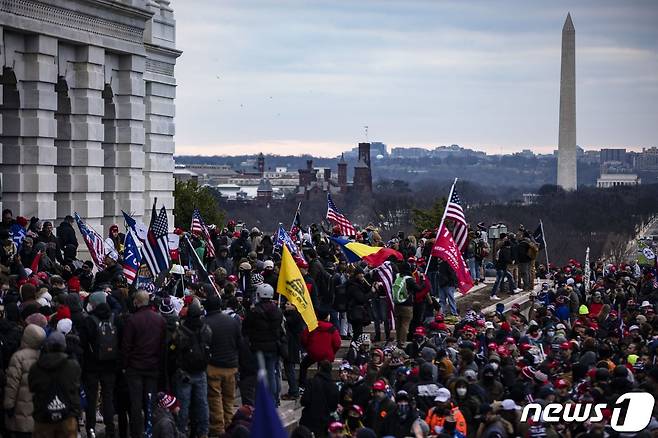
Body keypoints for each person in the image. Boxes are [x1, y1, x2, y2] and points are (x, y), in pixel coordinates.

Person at [122, 290, 166, 438]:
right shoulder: (159, 320)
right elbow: (162, 345)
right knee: (150, 401)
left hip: (135, 368)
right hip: (152, 367)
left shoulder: (132, 320)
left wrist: (125, 365)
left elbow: (126, 346)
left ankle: (136, 433)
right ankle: (150, 430)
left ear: (136, 302)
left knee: (136, 403)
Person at [78, 291, 119, 438]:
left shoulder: (88, 321)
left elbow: (82, 344)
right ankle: (110, 429)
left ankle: (91, 429)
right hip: (110, 365)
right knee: (108, 397)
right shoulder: (114, 318)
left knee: (91, 397)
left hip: (92, 366)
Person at [28, 332, 81, 438]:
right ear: (64, 346)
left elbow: (32, 387)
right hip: (67, 415)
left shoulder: (36, 367)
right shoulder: (72, 365)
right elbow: (75, 386)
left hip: (43, 416)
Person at [171, 300, 211, 437]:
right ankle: (203, 432)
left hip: (184, 373)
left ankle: (181, 432)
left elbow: (173, 349)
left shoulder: (181, 330)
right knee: (202, 404)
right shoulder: (206, 329)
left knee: (183, 406)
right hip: (201, 371)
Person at [204, 294, 242, 436]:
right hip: (231, 365)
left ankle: (218, 428)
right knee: (229, 398)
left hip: (213, 366)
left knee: (215, 398)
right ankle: (229, 424)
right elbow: (240, 342)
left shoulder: (206, 322)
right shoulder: (232, 321)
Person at [243, 283, 283, 402]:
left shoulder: (254, 312)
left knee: (260, 374)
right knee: (271, 373)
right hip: (273, 346)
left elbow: (245, 329)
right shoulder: (277, 311)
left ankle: (261, 399)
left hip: (258, 347)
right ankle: (272, 399)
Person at [4, 324, 46, 438]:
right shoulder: (42, 357)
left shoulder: (18, 357)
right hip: (36, 415)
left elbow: (12, 384)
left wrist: (8, 405)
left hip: (19, 414)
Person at [299, 308, 341, 389]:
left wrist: (308, 348)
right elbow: (337, 343)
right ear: (327, 317)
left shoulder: (312, 326)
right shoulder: (332, 328)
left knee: (303, 365)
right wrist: (332, 352)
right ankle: (325, 386)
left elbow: (303, 338)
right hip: (327, 354)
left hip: (313, 353)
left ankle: (302, 384)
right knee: (325, 370)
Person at [299, 360, 339, 437]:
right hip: (324, 422)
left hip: (309, 420)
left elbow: (304, 400)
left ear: (319, 368)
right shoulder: (334, 387)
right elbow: (334, 406)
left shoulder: (312, 382)